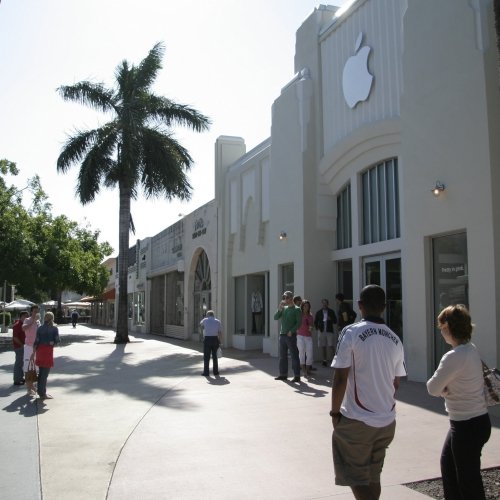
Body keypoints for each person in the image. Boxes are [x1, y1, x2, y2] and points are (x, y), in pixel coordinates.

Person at [330, 285, 406, 500]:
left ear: (359, 306)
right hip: (386, 420)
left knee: (356, 477)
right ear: (383, 307)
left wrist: (335, 413)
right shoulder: (395, 339)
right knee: (374, 476)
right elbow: (396, 383)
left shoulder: (351, 332)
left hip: (358, 421)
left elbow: (340, 378)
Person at [427, 304, 491, 500]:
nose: (441, 332)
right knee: (451, 468)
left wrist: (444, 389)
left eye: (441, 327)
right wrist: (446, 388)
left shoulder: (453, 357)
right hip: (475, 422)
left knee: (467, 480)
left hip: (466, 425)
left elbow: (432, 388)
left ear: (448, 328)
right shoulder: (470, 349)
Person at [274, 291, 302, 382]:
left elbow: (299, 323)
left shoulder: (297, 309)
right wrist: (279, 308)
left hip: (291, 336)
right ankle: (283, 374)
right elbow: (275, 317)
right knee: (282, 356)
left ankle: (297, 375)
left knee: (294, 355)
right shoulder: (284, 308)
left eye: (286, 297)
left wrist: (292, 331)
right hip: (282, 335)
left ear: (291, 298)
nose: (284, 299)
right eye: (284, 297)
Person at [33, 311, 60, 400]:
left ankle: (40, 391)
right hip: (48, 350)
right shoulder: (54, 328)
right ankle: (42, 393)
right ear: (52, 318)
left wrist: (33, 353)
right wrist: (51, 342)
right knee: (44, 374)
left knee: (41, 372)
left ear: (45, 318)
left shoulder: (40, 328)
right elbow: (57, 340)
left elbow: (36, 341)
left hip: (40, 351)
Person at [22, 305, 40, 395]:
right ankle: (29, 389)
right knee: (27, 367)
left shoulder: (38, 322)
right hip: (29, 347)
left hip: (36, 347)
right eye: (35, 311)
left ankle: (32, 387)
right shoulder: (27, 320)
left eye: (37, 311)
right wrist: (32, 321)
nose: (36, 313)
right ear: (31, 312)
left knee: (34, 368)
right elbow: (23, 328)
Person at [314, 299, 337, 366]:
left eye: (326, 303)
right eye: (323, 303)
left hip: (329, 330)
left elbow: (335, 321)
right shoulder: (319, 312)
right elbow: (315, 321)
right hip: (321, 331)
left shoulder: (331, 311)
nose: (324, 304)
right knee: (323, 346)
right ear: (322, 304)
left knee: (331, 345)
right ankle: (324, 360)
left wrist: (331, 319)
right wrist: (317, 328)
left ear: (328, 304)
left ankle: (334, 361)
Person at [199, 310, 222, 376]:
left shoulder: (205, 320)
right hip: (215, 339)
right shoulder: (218, 321)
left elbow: (200, 325)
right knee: (215, 356)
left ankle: (206, 372)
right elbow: (220, 333)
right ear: (213, 315)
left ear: (207, 315)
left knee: (206, 356)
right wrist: (220, 341)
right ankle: (216, 372)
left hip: (207, 339)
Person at [297, 300, 314, 377]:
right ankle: (304, 370)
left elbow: (312, 326)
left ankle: (307, 370)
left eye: (307, 306)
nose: (306, 307)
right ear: (302, 306)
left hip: (308, 336)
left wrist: (311, 328)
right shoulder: (299, 315)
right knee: (302, 353)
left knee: (310, 353)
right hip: (300, 336)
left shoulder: (310, 316)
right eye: (304, 306)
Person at [12, 311, 28, 385]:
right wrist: (22, 345)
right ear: (21, 316)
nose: (27, 317)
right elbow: (15, 337)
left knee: (21, 363)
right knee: (19, 363)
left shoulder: (24, 324)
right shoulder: (17, 325)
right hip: (19, 347)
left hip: (23, 346)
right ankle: (17, 380)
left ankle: (20, 377)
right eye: (25, 316)